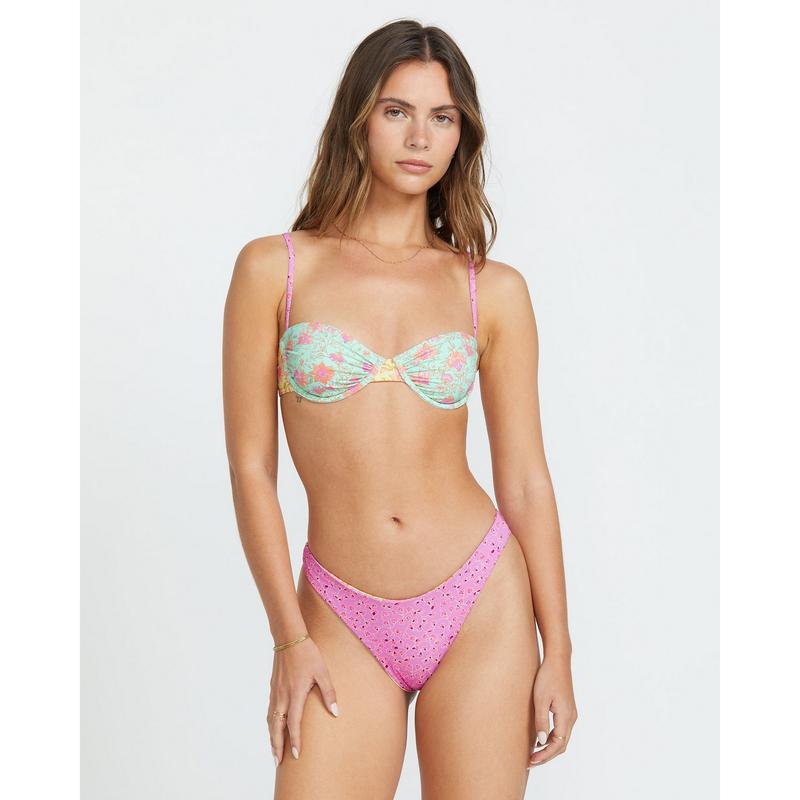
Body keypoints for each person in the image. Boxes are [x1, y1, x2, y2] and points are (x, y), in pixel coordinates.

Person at [222, 19, 577, 798]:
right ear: (358, 119)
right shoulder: (275, 271)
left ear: (461, 134)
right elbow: (251, 470)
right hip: (338, 613)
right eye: (397, 111)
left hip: (480, 603)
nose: (420, 137)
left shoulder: (491, 289)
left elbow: (526, 481)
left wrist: (559, 651)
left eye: (442, 117)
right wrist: (288, 639)